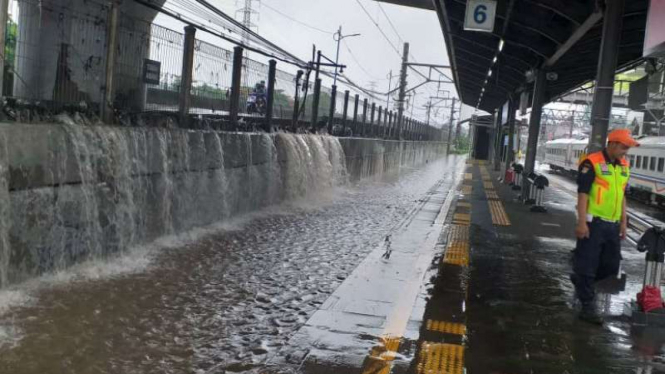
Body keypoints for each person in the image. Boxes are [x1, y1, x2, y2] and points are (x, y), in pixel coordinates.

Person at [571, 128, 640, 325]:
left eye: (627, 148)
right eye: (623, 147)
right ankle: (587, 306)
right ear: (612, 144)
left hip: (612, 224)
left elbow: (621, 195)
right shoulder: (591, 162)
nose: (625, 151)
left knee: (611, 265)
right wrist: (582, 222)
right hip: (593, 223)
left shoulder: (624, 165)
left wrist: (623, 222)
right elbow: (583, 194)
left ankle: (582, 280)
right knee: (588, 264)